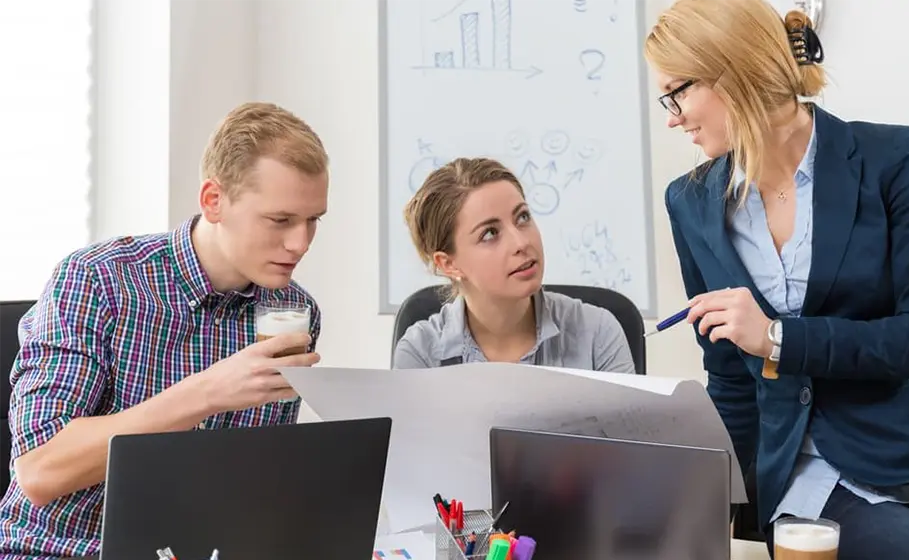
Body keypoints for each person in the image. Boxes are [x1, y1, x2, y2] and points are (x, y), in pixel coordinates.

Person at [645, 1, 909, 558]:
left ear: (732, 71)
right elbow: (730, 376)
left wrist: (778, 339)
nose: (672, 116)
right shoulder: (690, 203)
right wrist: (722, 512)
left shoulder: (891, 159)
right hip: (811, 467)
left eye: (679, 92)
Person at [0, 102, 328, 559]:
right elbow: (40, 472)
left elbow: (251, 483)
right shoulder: (98, 279)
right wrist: (209, 392)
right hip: (66, 551)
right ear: (214, 201)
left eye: (313, 220)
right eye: (280, 220)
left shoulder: (293, 309)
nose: (301, 243)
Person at [393, 157, 635, 373]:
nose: (521, 242)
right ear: (448, 264)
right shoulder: (420, 355)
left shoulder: (597, 333)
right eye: (489, 233)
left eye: (522, 217)